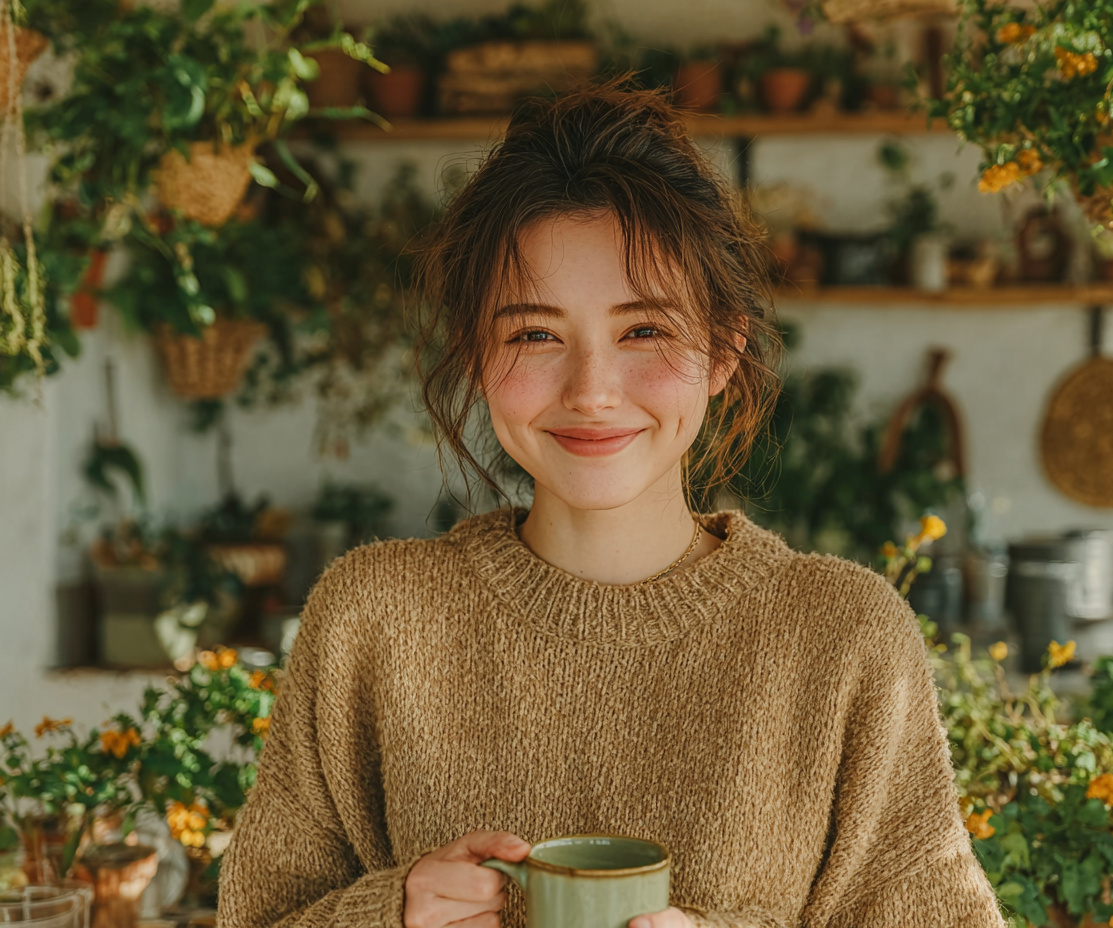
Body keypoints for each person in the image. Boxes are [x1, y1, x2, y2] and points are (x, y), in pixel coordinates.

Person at [217, 84, 1004, 928]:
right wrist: (390, 916)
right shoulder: (371, 620)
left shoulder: (843, 636)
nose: (591, 391)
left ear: (723, 351)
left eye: (643, 331)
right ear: (476, 356)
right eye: (534, 334)